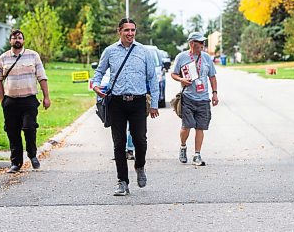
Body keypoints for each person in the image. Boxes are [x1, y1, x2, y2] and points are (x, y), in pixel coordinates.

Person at [93, 18, 159, 196]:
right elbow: (98, 72)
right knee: (119, 143)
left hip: (138, 102)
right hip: (117, 102)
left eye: (133, 30)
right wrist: (96, 86)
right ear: (119, 31)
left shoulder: (144, 52)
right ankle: (122, 181)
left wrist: (154, 104)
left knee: (140, 141)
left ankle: (140, 166)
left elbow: (152, 78)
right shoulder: (110, 51)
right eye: (126, 30)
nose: (130, 33)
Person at [0, 29, 51, 173]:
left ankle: (32, 155)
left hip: (29, 100)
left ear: (23, 41)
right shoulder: (3, 58)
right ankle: (16, 163)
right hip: (10, 101)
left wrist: (46, 97)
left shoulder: (33, 55)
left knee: (29, 128)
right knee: (12, 132)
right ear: (10, 41)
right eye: (14, 38)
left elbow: (42, 77)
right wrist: (2, 100)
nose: (17, 40)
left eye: (19, 37)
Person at [171, 32, 219, 166]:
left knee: (200, 127)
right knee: (187, 126)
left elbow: (212, 77)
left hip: (203, 98)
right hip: (188, 97)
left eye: (204, 43)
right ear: (192, 43)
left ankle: (197, 155)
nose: (203, 45)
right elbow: (173, 74)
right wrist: (181, 79)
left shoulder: (207, 58)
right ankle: (183, 146)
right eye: (200, 43)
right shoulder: (181, 57)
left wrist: (214, 93)